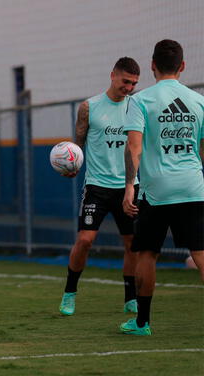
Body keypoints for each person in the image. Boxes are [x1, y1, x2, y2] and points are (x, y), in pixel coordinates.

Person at [120, 39, 204, 336]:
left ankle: (142, 323)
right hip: (194, 186)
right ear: (182, 66)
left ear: (152, 65)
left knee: (146, 254)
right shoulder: (198, 101)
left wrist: (129, 185)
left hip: (156, 191)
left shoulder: (140, 101)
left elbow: (133, 149)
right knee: (201, 252)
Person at [58, 57, 141, 316]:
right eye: (125, 81)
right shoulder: (89, 107)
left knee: (132, 244)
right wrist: (72, 166)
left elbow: (138, 146)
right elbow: (78, 145)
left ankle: (130, 298)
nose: (129, 87)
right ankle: (69, 293)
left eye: (134, 83)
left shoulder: (138, 107)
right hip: (97, 187)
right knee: (85, 240)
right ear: (113, 75)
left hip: (130, 187)